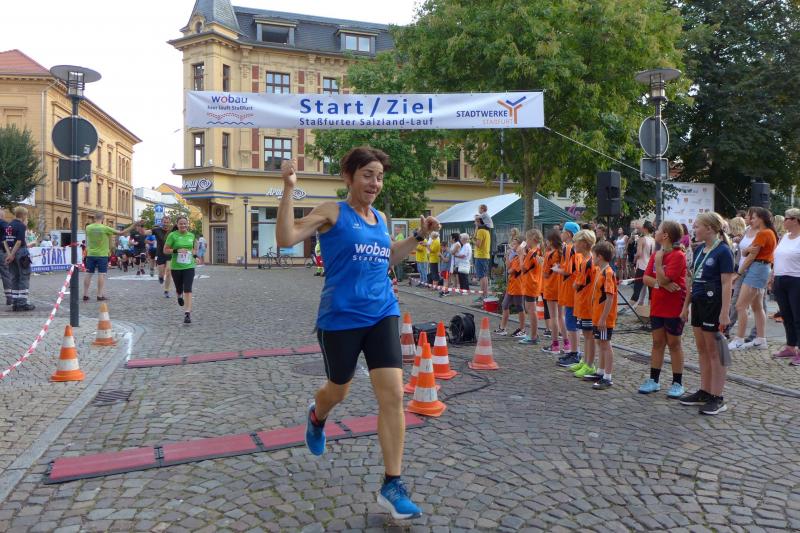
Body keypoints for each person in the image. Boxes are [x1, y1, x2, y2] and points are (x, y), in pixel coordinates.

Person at [275, 148, 437, 519]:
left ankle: (392, 484)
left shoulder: (380, 218)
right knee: (338, 390)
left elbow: (387, 257)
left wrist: (419, 236)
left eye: (379, 177)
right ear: (348, 177)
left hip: (382, 312)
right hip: (340, 318)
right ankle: (317, 417)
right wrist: (288, 188)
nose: (374, 183)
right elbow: (286, 237)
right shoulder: (332, 212)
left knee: (393, 395)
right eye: (367, 175)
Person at [679, 212, 735, 415]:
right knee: (702, 349)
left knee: (715, 352)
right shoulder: (700, 249)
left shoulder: (723, 251)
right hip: (699, 303)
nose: (694, 229)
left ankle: (717, 397)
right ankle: (704, 391)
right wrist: (686, 306)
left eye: (697, 226)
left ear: (709, 228)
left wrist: (725, 312)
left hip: (714, 305)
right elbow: (692, 281)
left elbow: (727, 283)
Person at [638, 221, 688, 398]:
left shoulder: (678, 256)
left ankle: (677, 382)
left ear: (665, 235)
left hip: (674, 306)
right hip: (658, 305)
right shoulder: (656, 254)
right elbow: (646, 278)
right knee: (657, 342)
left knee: (674, 343)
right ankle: (654, 380)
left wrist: (659, 266)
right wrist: (662, 284)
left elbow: (667, 278)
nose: (656, 231)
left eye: (658, 230)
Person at [728, 207, 777, 351]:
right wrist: (747, 251)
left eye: (754, 217)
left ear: (761, 219)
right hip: (762, 268)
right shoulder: (769, 232)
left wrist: (738, 273)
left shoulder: (763, 233)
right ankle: (760, 339)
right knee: (757, 306)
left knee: (740, 306)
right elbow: (746, 252)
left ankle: (739, 339)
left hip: (757, 268)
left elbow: (750, 255)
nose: (751, 220)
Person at [83, 213, 139, 302]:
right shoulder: (105, 228)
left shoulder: (88, 227)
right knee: (101, 274)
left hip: (91, 254)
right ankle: (99, 295)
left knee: (88, 274)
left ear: (94, 218)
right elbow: (121, 232)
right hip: (102, 255)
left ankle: (85, 295)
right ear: (103, 218)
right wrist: (134, 225)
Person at [769, 208, 800, 363]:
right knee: (786, 315)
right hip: (780, 279)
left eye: (787, 218)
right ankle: (790, 345)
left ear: (795, 220)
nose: (784, 221)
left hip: (796, 280)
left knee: (798, 316)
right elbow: (777, 257)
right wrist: (772, 275)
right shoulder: (785, 237)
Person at [567, 230, 598, 379]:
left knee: (589, 335)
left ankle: (589, 364)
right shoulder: (585, 260)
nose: (574, 244)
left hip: (587, 304)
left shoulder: (588, 262)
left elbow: (578, 283)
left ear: (584, 244)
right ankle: (585, 361)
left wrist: (575, 284)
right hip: (582, 303)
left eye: (576, 242)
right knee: (586, 334)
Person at [588, 241, 618, 389]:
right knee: (600, 343)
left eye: (593, 255)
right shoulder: (601, 270)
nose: (592, 258)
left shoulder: (608, 273)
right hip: (597, 315)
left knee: (605, 344)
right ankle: (600, 371)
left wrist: (603, 318)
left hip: (604, 318)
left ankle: (607, 376)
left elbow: (609, 297)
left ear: (599, 257)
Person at [163, 216, 198, 324]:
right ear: (177, 225)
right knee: (179, 288)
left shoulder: (191, 235)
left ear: (187, 224)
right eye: (181, 223)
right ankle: (179, 295)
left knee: (187, 288)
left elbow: (194, 248)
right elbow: (165, 250)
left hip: (189, 266)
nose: (183, 225)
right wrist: (176, 250)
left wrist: (195, 256)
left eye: (185, 223)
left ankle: (187, 313)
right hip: (176, 267)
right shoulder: (172, 235)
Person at [556, 221, 582, 367]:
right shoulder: (574, 248)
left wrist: (556, 269)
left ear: (568, 233)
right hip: (573, 289)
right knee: (572, 322)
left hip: (570, 289)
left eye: (563, 231)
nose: (561, 233)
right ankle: (574, 351)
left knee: (571, 323)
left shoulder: (569, 248)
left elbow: (568, 270)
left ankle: (574, 352)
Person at [3, 206, 34, 311]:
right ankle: (22, 303)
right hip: (21, 252)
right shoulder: (21, 226)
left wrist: (9, 254)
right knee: (24, 277)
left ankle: (15, 302)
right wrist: (12, 254)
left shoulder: (9, 225)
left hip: (10, 251)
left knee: (14, 277)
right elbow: (19, 242)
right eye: (26, 215)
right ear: (23, 215)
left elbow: (4, 241)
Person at [495, 238, 526, 337]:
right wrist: (507, 256)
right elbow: (508, 267)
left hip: (518, 286)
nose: (513, 246)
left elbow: (511, 271)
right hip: (511, 285)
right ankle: (502, 328)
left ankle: (523, 329)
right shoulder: (515, 257)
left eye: (515, 244)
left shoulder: (522, 257)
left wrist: (510, 268)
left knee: (519, 306)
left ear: (520, 246)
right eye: (512, 244)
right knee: (505, 304)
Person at [518, 229, 543, 345]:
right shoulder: (537, 251)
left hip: (530, 284)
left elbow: (523, 268)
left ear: (532, 239)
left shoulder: (532, 252)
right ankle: (533, 334)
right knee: (531, 310)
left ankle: (533, 336)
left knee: (531, 310)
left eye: (527, 238)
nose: (526, 241)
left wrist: (520, 256)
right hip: (533, 283)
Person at [541, 230, 563, 354]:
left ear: (550, 241)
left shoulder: (549, 254)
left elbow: (545, 273)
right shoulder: (563, 253)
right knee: (561, 317)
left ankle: (555, 345)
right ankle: (567, 344)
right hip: (561, 288)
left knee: (553, 317)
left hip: (551, 287)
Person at [149, 216, 175, 298]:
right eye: (164, 222)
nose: (166, 224)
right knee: (161, 273)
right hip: (160, 253)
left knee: (169, 271)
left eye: (167, 222)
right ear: (162, 222)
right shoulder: (157, 230)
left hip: (170, 254)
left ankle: (166, 290)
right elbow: (146, 232)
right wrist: (141, 228)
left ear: (169, 223)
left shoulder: (173, 231)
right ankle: (160, 277)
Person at [632, 221, 655, 306]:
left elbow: (639, 253)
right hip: (650, 267)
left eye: (642, 227)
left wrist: (634, 260)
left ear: (645, 229)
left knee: (637, 289)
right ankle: (648, 310)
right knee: (651, 291)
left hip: (642, 266)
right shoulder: (653, 240)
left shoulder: (641, 239)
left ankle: (628, 308)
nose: (641, 229)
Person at [474, 217, 492, 301]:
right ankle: (485, 295)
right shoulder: (486, 231)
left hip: (480, 256)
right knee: (484, 276)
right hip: (484, 255)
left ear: (479, 222)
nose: (474, 223)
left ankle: (483, 295)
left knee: (481, 276)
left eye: (475, 221)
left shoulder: (481, 231)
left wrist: (470, 241)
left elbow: (478, 244)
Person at [0, 206, 13, 305]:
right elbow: (10, 236)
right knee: (6, 274)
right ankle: (9, 297)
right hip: (1, 251)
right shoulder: (4, 224)